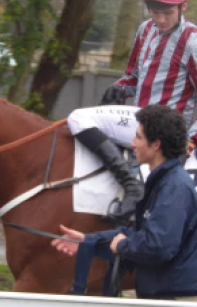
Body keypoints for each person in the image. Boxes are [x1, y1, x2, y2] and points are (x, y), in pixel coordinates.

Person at [68, 0, 197, 223]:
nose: (160, 19)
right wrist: (120, 87)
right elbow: (133, 76)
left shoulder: (192, 40)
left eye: (167, 13)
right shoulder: (144, 30)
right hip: (139, 121)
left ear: (183, 6)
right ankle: (130, 183)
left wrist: (191, 139)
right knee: (76, 118)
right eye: (154, 11)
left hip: (170, 131)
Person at [53, 105, 197, 300]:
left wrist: (123, 246)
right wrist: (89, 241)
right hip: (163, 295)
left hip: (176, 299)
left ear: (156, 145)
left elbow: (159, 246)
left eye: (138, 137)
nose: (133, 143)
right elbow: (140, 234)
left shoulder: (174, 187)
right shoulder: (163, 181)